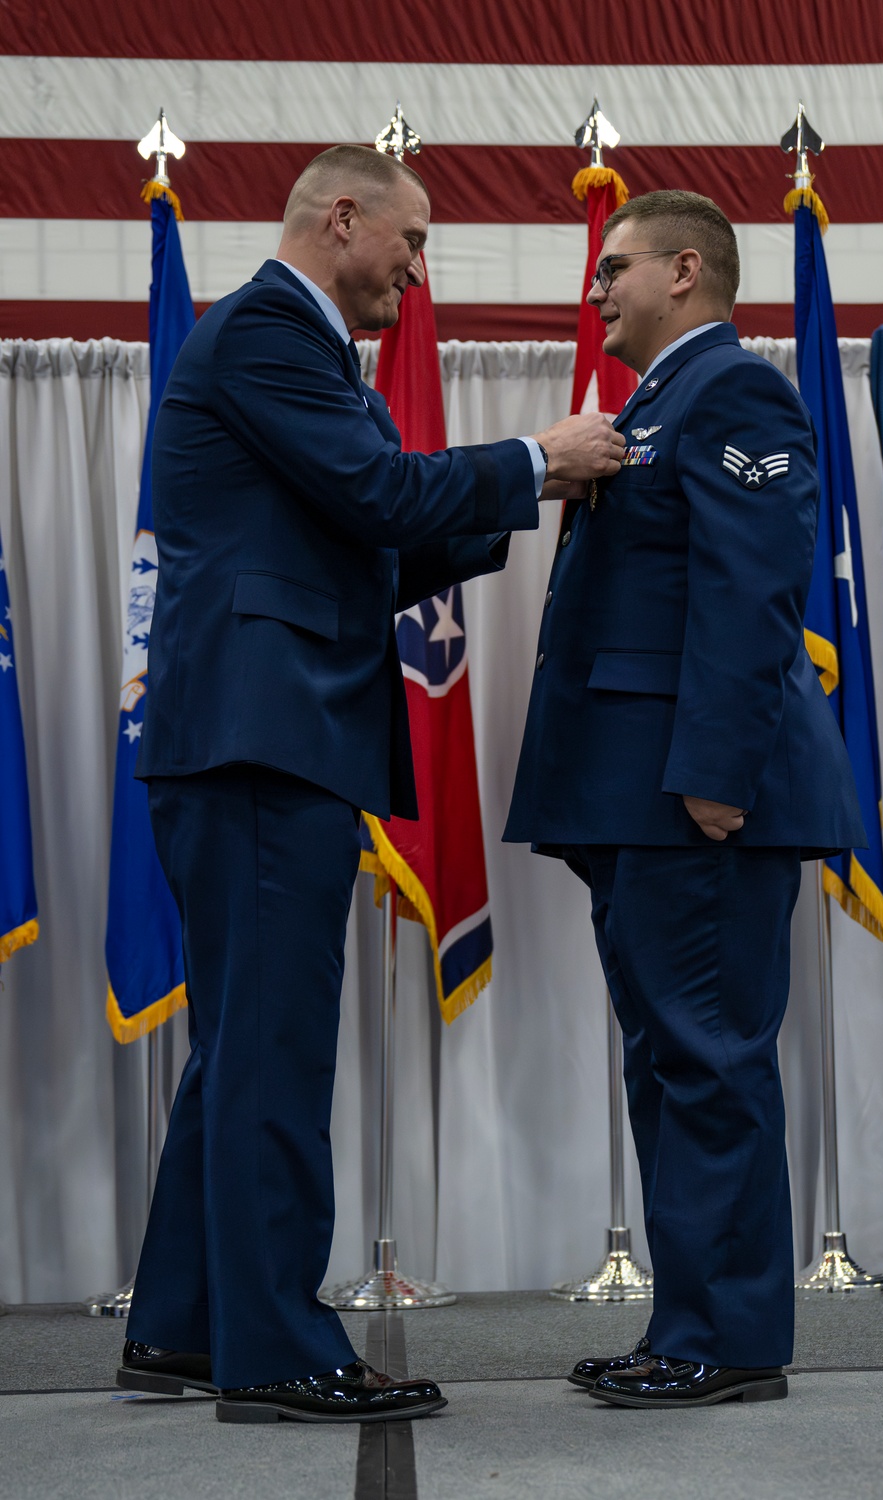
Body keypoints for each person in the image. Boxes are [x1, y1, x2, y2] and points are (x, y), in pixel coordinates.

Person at [116, 144, 624, 1425]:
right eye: (411, 236)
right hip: (258, 741)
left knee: (239, 1050)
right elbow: (377, 493)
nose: (418, 263)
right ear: (339, 216)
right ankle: (277, 1350)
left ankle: (183, 1327)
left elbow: (363, 547)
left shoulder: (287, 345)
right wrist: (531, 459)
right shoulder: (267, 337)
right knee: (271, 1054)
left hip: (254, 739)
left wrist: (533, 496)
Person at [504, 190, 865, 1408]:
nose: (596, 289)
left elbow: (751, 592)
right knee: (668, 1061)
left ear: (687, 271)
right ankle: (690, 1324)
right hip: (636, 794)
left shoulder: (736, 392)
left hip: (697, 796)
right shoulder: (658, 403)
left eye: (616, 268)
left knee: (707, 1059)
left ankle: (732, 1339)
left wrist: (717, 775)